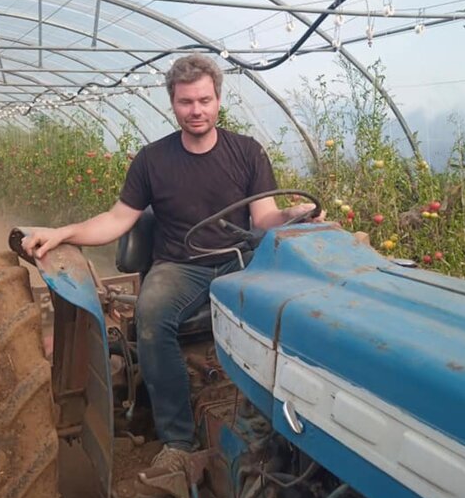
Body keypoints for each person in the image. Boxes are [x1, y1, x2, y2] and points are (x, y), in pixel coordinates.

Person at [22, 54, 321, 473]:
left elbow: (265, 219)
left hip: (240, 260)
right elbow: (115, 220)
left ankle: (288, 419)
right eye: (186, 102)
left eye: (204, 100)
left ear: (218, 100)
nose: (196, 110)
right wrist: (63, 232)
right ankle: (178, 441)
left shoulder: (247, 152)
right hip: (180, 266)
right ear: (173, 103)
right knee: (151, 314)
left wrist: (295, 215)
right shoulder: (153, 160)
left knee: (295, 307)